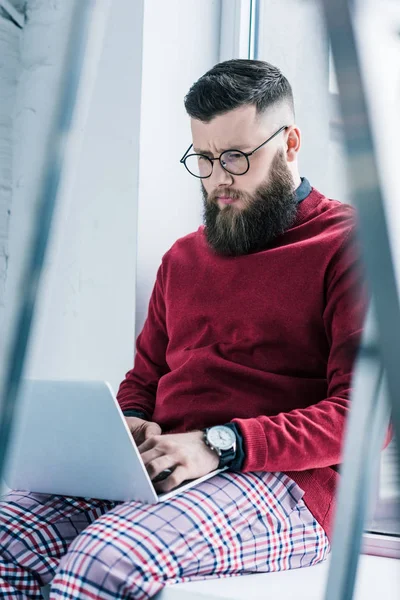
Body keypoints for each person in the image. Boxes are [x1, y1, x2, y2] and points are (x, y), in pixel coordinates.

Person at [1, 59, 367, 600]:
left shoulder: (349, 246)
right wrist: (131, 423)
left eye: (238, 157)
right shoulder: (182, 258)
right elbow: (144, 379)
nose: (220, 178)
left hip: (289, 486)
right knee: (7, 540)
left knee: (107, 562)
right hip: (167, 467)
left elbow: (361, 418)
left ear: (290, 143)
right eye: (204, 158)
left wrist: (218, 444)